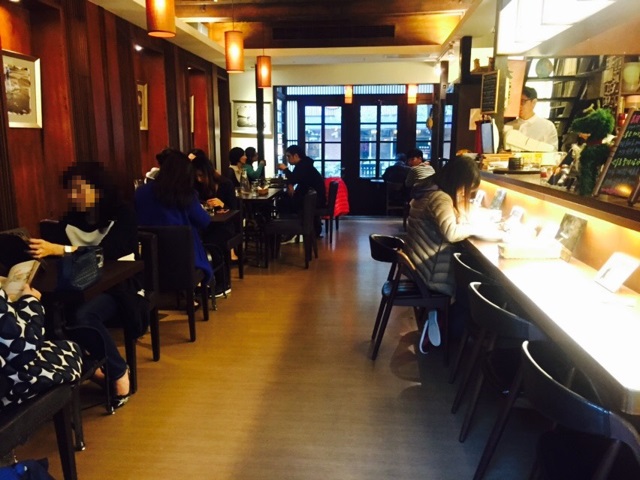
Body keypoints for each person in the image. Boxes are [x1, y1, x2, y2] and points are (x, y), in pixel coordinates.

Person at [29, 161, 143, 409]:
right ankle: (90, 368)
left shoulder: (123, 214)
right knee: (49, 316)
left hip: (119, 287)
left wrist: (61, 249)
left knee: (82, 316)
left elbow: (110, 252)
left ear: (99, 190)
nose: (73, 196)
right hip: (80, 289)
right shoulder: (71, 220)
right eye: (70, 190)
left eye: (80, 189)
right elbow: (55, 255)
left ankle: (118, 371)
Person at [405, 155, 480, 301]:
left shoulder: (428, 189)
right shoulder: (440, 197)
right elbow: (451, 234)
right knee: (472, 286)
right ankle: (453, 314)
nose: (464, 194)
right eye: (465, 189)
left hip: (418, 267)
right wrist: (478, 227)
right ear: (457, 181)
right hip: (432, 274)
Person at [135, 149, 213, 283]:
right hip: (183, 258)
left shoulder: (141, 192)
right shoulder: (186, 194)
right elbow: (204, 221)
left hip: (149, 258)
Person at [0, 283, 83, 409]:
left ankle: (104, 374)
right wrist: (31, 301)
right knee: (67, 348)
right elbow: (25, 350)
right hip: (8, 390)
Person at [190, 148, 237, 297]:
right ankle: (201, 282)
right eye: (196, 176)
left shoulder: (226, 184)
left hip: (226, 225)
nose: (199, 179)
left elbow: (235, 209)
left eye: (201, 175)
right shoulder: (197, 186)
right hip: (206, 224)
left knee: (214, 242)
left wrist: (222, 204)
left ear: (208, 172)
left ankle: (224, 283)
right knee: (194, 240)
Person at [276, 144, 326, 237]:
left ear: (296, 156)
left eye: (288, 156)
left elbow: (294, 178)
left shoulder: (303, 166)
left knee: (282, 202)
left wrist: (285, 169)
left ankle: (289, 231)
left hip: (314, 200)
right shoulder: (305, 164)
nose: (287, 159)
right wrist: (290, 184)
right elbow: (295, 179)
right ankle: (289, 230)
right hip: (313, 198)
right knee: (284, 198)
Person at [505, 86, 559, 151]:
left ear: (533, 102)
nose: (519, 105)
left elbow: (553, 152)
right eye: (516, 102)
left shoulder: (547, 126)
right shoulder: (509, 126)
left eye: (522, 101)